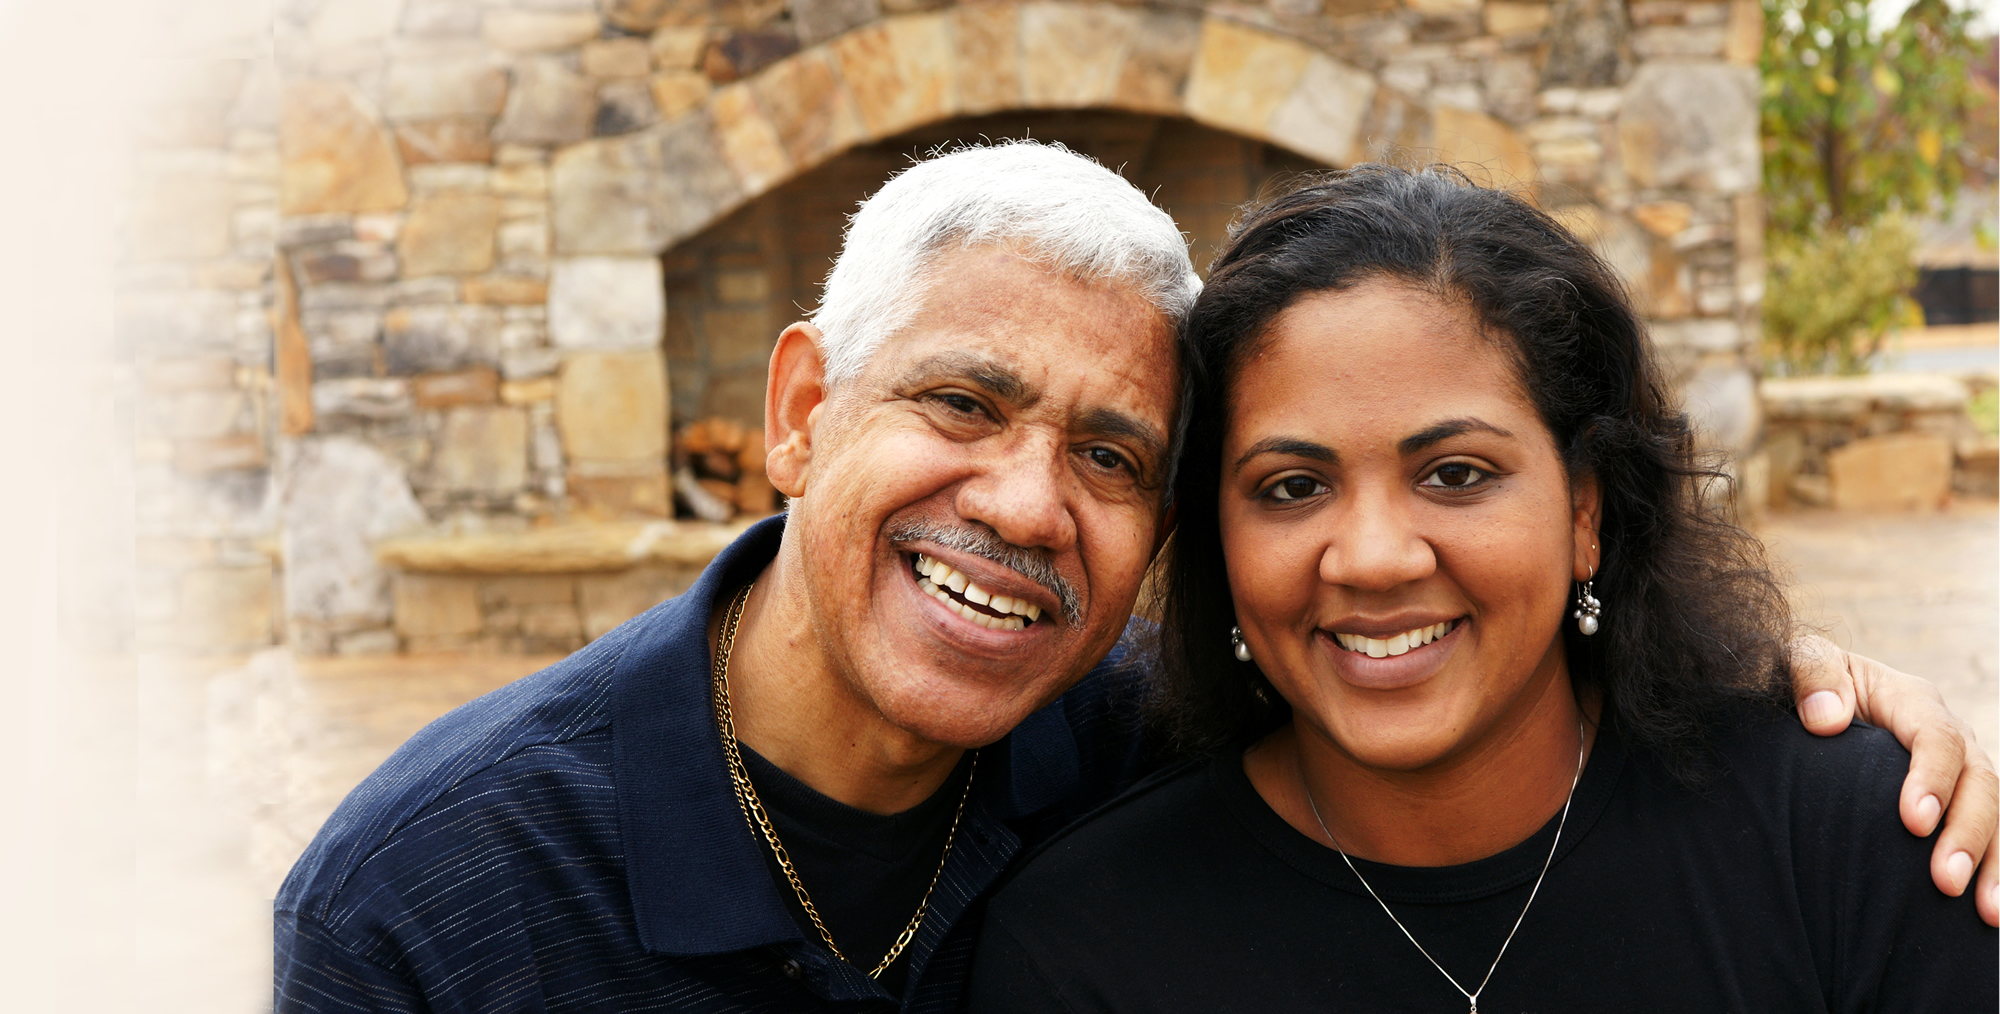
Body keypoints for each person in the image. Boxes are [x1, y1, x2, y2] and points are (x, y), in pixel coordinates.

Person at [274, 145, 1997, 1014]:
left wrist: (1795, 697)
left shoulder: (1117, 740)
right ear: (799, 412)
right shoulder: (426, 903)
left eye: (1111, 454)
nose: (1025, 503)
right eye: (961, 399)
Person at [965, 165, 1999, 1013]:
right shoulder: (1081, 946)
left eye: (1453, 474)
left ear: (1584, 509)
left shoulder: (1852, 840)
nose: (1371, 557)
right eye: (1290, 487)